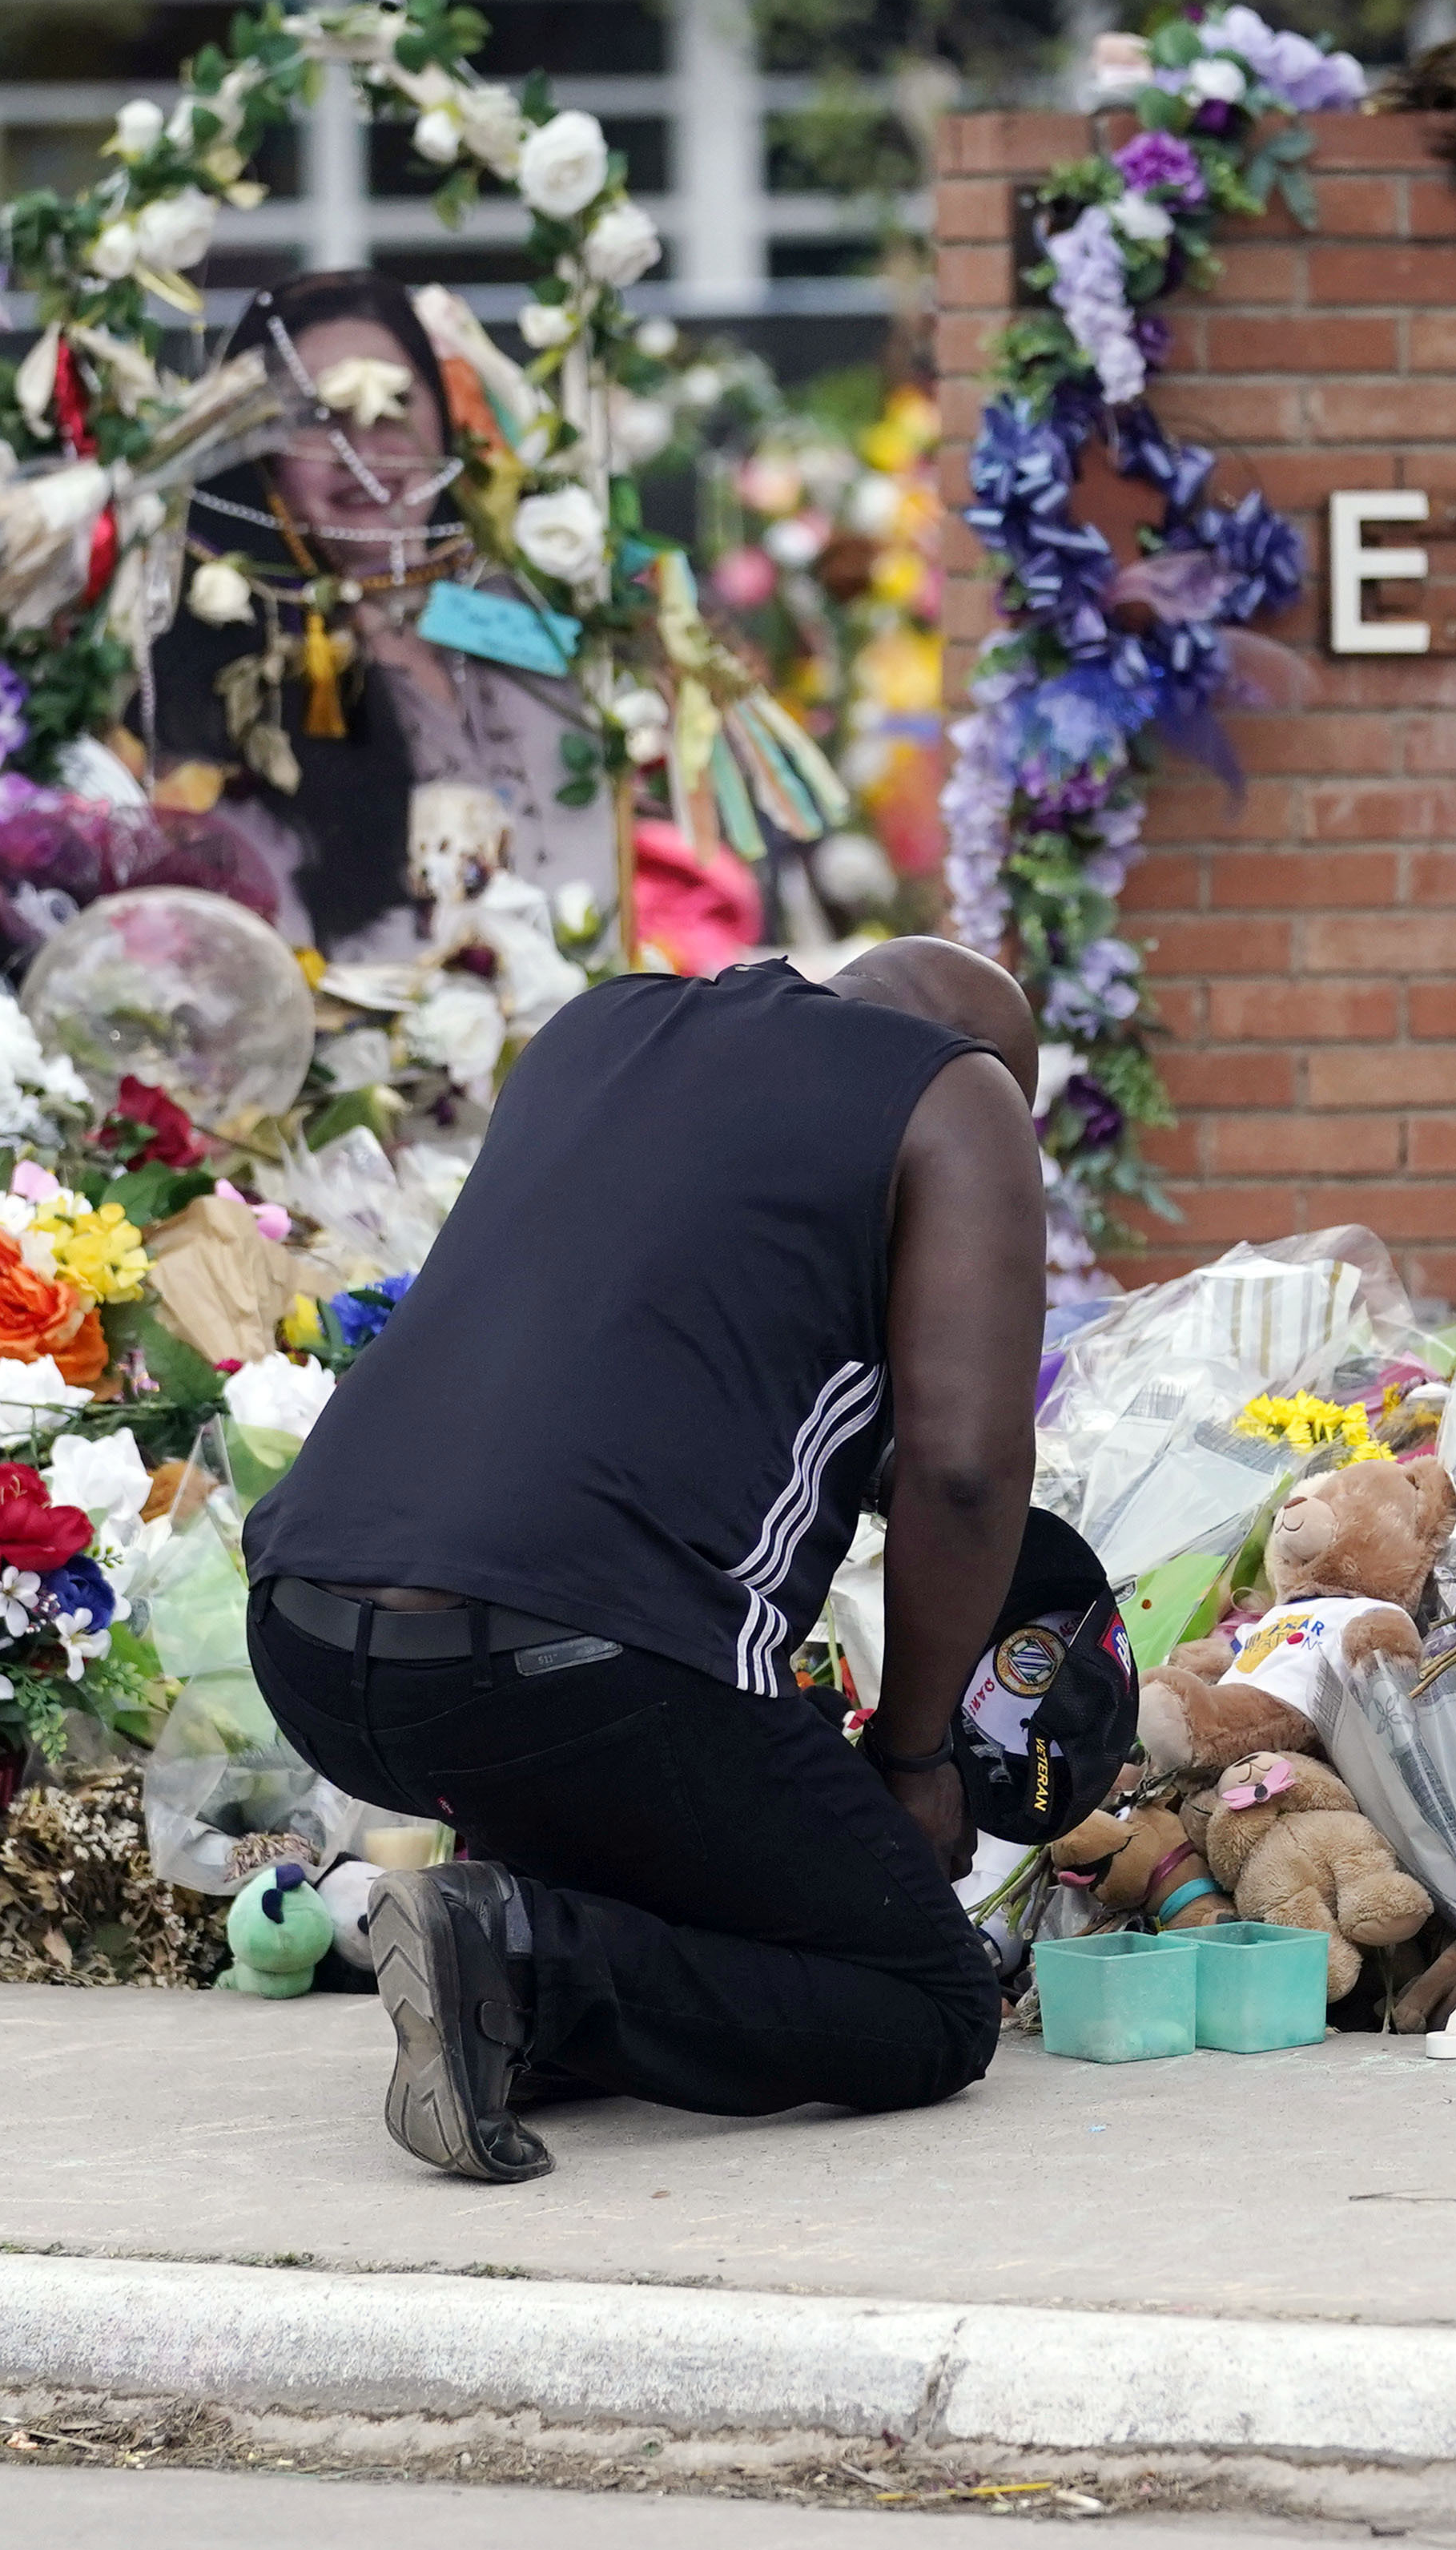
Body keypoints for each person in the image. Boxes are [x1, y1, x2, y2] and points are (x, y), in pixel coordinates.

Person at [241, 933, 1048, 2181]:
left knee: (655, 1822)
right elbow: (966, 1468)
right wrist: (916, 1752)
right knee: (927, 2002)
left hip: (307, 1626)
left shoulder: (600, 1024)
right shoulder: (957, 1089)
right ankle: (518, 1954)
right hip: (575, 1664)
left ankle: (498, 1988)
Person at [143, 268, 603, 957]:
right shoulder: (225, 663)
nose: (367, 451)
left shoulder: (521, 607)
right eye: (322, 416)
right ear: (256, 452)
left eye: (397, 403)